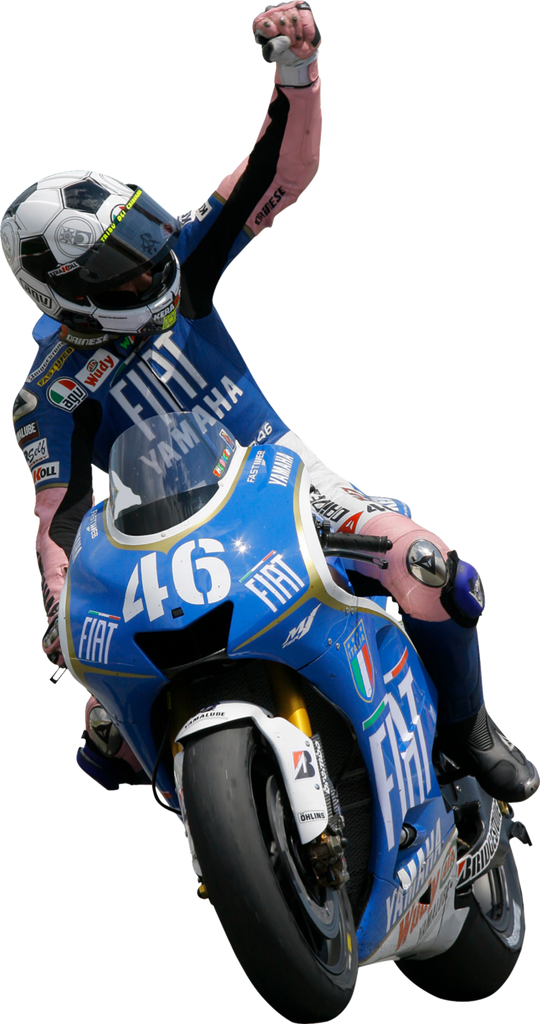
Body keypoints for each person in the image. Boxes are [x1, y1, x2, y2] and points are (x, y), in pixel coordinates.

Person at [3, 2, 538, 805]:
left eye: (144, 241)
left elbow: (276, 176)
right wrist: (60, 610)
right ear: (65, 292)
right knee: (102, 723)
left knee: (430, 568)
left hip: (290, 486)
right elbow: (60, 517)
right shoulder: (45, 395)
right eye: (123, 268)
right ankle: (233, 822)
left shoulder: (184, 260)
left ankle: (469, 726)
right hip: (165, 547)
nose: (151, 269)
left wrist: (297, 70)